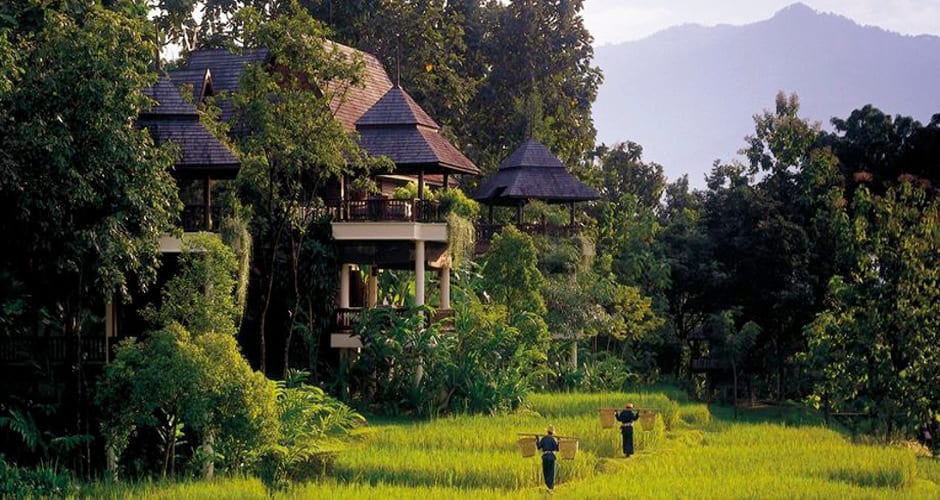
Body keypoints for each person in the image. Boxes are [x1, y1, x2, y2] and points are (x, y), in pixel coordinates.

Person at [536, 425, 560, 491]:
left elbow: (538, 447)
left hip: (545, 457)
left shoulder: (544, 439)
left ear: (547, 432)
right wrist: (558, 441)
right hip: (551, 457)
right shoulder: (552, 439)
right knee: (551, 472)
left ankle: (548, 485)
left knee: (546, 471)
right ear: (552, 433)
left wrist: (537, 439)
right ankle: (550, 487)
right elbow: (557, 449)